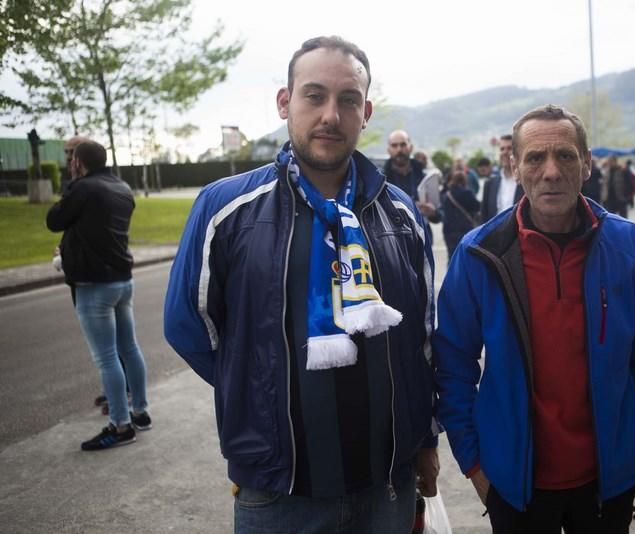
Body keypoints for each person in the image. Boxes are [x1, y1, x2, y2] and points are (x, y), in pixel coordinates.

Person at [163, 36, 438, 533]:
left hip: (386, 487)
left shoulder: (402, 214)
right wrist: (261, 395)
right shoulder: (225, 209)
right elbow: (189, 327)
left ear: (366, 111)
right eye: (314, 96)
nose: (331, 114)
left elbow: (421, 340)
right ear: (285, 103)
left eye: (348, 99)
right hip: (277, 494)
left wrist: (426, 441)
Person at [434, 104, 635, 533]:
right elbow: (452, 364)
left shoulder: (627, 244)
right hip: (515, 484)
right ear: (515, 166)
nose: (551, 171)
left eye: (565, 156)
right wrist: (473, 463)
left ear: (585, 164)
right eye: (535, 157)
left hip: (609, 480)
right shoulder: (479, 254)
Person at [46, 140, 152, 450]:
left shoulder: (82, 188)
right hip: (122, 280)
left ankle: (120, 427)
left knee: (107, 358)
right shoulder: (121, 187)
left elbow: (54, 220)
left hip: (94, 286)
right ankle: (140, 413)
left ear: (78, 162)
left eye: (71, 160)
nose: (69, 164)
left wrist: (75, 182)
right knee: (129, 348)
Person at [384, 130, 440, 224]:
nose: (399, 150)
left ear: (410, 147)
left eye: (403, 145)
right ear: (388, 150)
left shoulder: (425, 178)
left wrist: (432, 213)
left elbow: (440, 214)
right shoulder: (381, 181)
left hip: (422, 234)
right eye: (394, 145)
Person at [481, 134, 523, 222]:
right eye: (502, 149)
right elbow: (484, 218)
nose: (505, 152)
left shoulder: (525, 182)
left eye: (509, 148)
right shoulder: (489, 184)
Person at [441, 170, 480, 259]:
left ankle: (452, 272)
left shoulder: (447, 194)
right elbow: (476, 206)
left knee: (452, 256)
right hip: (464, 229)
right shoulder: (467, 193)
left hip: (449, 231)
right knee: (465, 256)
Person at [413, 150, 443, 221]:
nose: (425, 161)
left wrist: (433, 212)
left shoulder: (427, 176)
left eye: (425, 159)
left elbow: (438, 215)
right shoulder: (412, 176)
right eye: (423, 158)